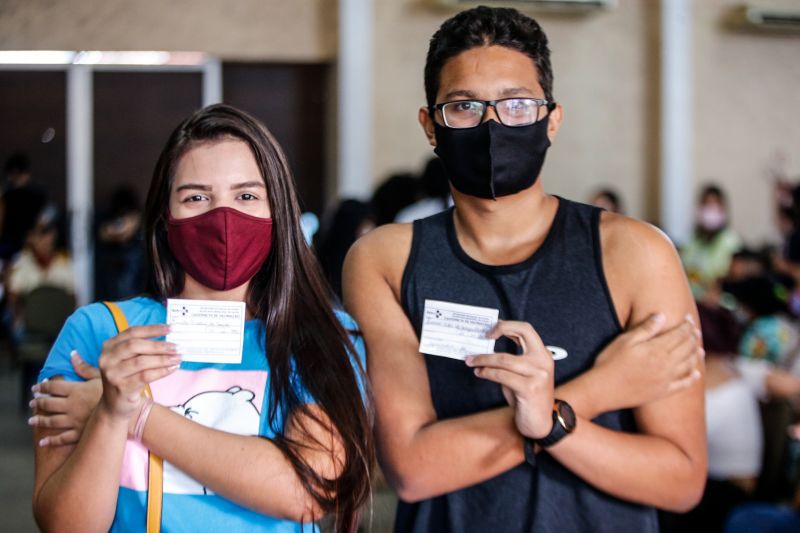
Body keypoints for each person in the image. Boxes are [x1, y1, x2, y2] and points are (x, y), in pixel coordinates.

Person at [343, 6, 705, 533]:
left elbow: (681, 478)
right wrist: (598, 391)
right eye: (464, 106)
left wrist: (549, 418)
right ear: (430, 125)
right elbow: (413, 469)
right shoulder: (386, 259)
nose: (492, 124)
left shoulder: (636, 255)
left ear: (551, 119)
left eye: (516, 104)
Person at [29, 104, 373, 532]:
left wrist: (137, 415)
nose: (223, 217)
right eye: (196, 197)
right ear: (164, 217)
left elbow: (303, 493)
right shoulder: (97, 330)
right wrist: (108, 415)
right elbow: (65, 525)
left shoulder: (323, 338)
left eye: (246, 195)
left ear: (277, 212)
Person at [680, 184, 743, 302]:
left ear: (723, 209)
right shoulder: (692, 242)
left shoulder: (731, 242)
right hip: (692, 301)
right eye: (706, 204)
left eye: (715, 205)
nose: (710, 210)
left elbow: (735, 275)